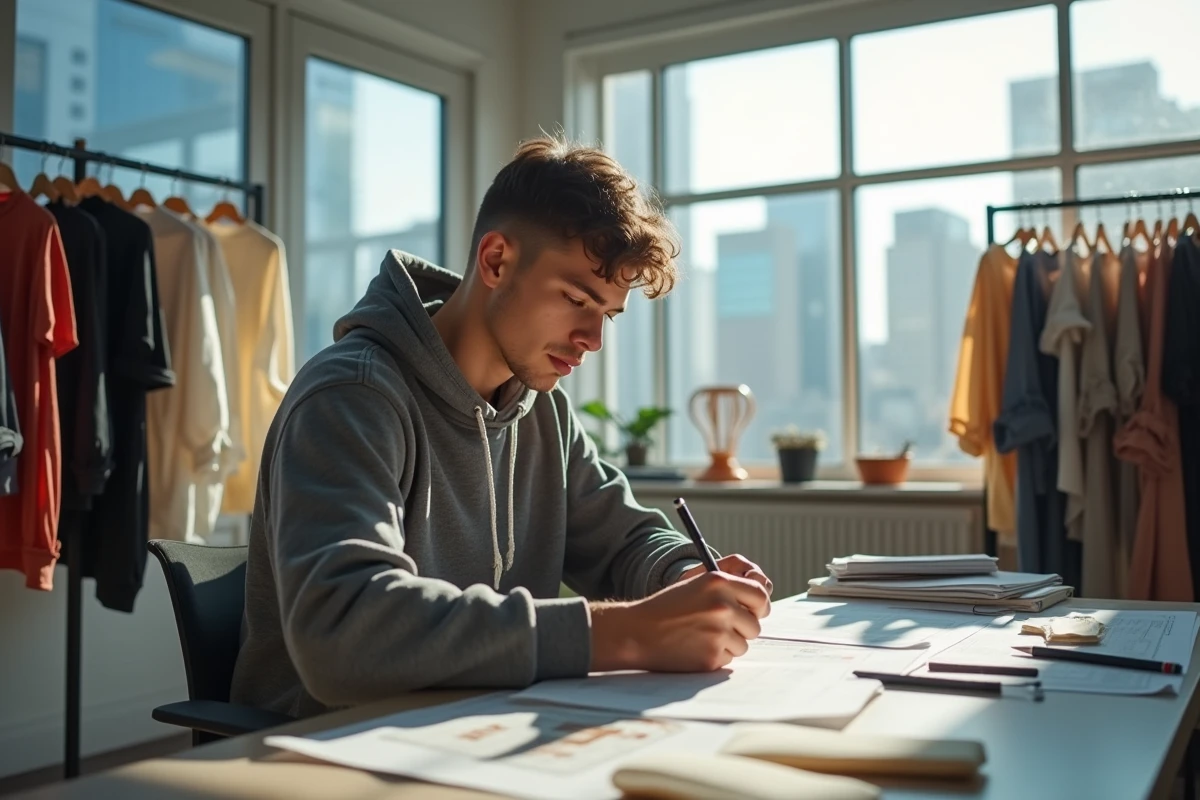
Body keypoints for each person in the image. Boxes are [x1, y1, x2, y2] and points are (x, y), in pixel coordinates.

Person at [230, 135, 774, 718]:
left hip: (476, 731)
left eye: (606, 314)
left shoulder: (544, 411)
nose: (593, 340)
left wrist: (685, 573)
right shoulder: (353, 396)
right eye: (574, 298)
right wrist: (625, 633)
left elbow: (625, 541)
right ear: (496, 261)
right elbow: (344, 633)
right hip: (324, 751)